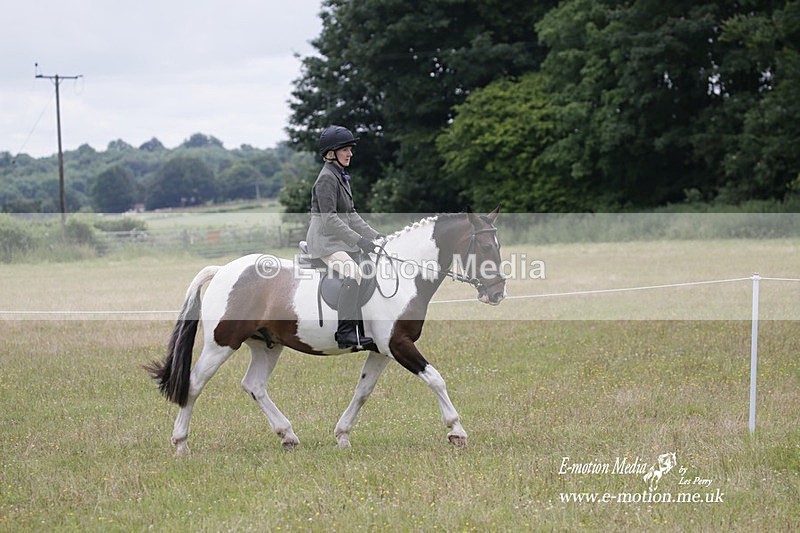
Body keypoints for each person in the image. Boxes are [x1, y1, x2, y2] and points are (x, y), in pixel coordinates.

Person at [306, 125, 383, 349]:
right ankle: (345, 334)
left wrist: (376, 236)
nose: (350, 154)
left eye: (350, 149)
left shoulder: (340, 176)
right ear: (331, 153)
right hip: (325, 242)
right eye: (345, 149)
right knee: (354, 273)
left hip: (338, 241)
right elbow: (329, 219)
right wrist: (358, 241)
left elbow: (351, 215)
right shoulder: (326, 179)